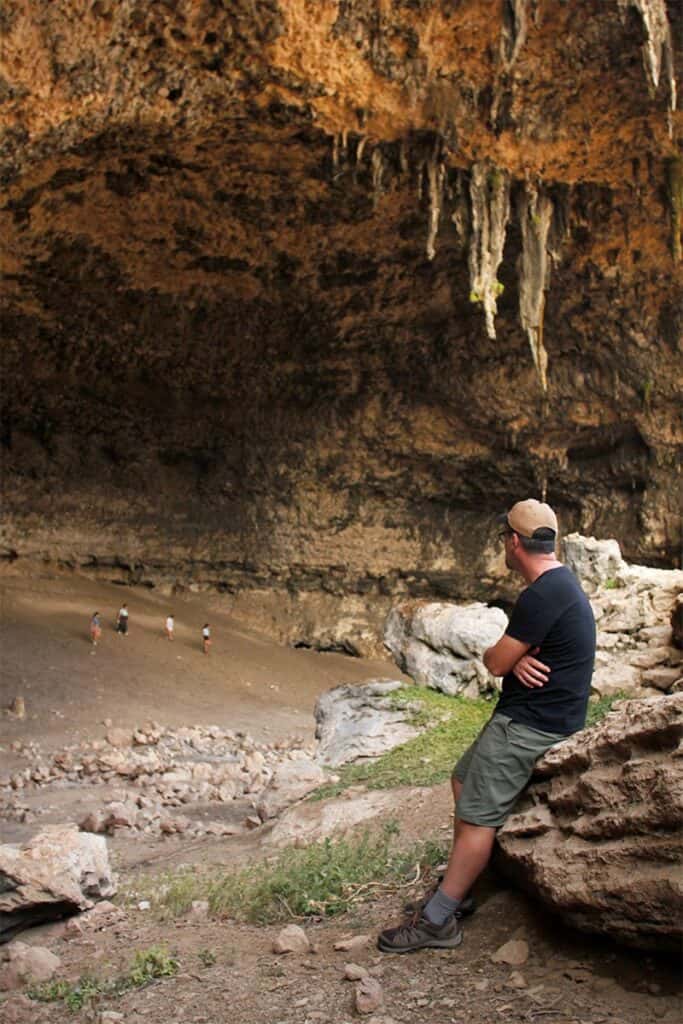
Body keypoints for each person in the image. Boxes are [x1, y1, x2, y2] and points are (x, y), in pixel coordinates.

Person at [377, 498, 596, 953]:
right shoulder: (561, 585)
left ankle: (439, 919)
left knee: (477, 817)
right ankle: (467, 882)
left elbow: (495, 661)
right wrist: (515, 663)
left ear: (514, 543)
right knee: (462, 779)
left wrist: (507, 662)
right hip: (535, 715)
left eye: (504, 538)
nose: (503, 544)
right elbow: (513, 661)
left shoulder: (541, 595)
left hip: (529, 725)